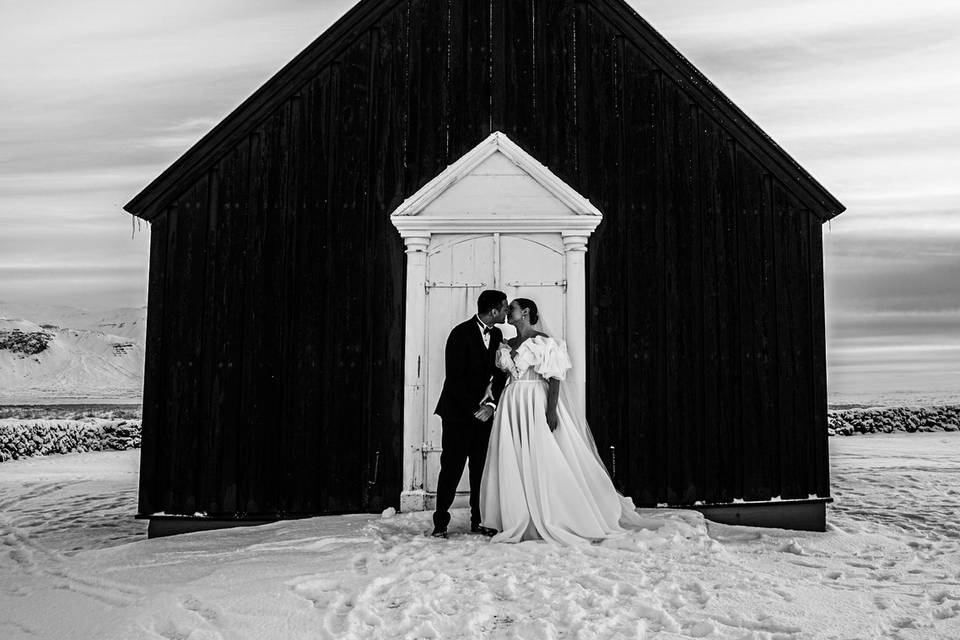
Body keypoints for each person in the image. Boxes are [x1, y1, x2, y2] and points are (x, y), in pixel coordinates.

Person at [479, 298, 641, 545]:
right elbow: (504, 376)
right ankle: (518, 514)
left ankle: (553, 511)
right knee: (514, 454)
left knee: (542, 453)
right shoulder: (508, 343)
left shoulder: (545, 342)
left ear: (525, 313)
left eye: (511, 308)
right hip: (512, 402)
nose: (507, 312)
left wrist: (551, 410)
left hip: (535, 399)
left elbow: (554, 379)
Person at [431, 290, 510, 538]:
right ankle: (440, 523)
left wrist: (491, 406)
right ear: (494, 311)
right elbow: (454, 378)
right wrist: (476, 408)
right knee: (451, 468)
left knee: (480, 470)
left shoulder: (497, 334)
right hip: (457, 413)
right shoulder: (459, 333)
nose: (507, 312)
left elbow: (499, 374)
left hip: (484, 415)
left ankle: (479, 520)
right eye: (505, 308)